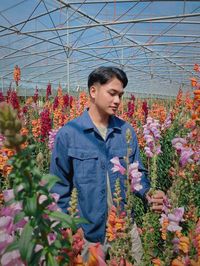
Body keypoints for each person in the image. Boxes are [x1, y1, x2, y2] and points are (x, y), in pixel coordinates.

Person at [50, 66, 165, 264]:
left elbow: (136, 173)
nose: (118, 101)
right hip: (87, 235)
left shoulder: (125, 131)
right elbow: (58, 188)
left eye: (121, 95)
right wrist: (68, 228)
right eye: (112, 93)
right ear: (93, 91)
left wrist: (148, 193)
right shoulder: (69, 134)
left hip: (124, 228)